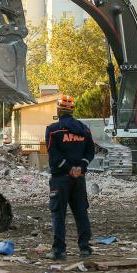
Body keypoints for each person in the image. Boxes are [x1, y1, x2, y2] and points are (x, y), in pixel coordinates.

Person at [44, 95, 95, 260]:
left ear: (59, 111)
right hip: (79, 179)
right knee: (81, 212)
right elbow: (90, 152)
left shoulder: (53, 130)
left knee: (58, 214)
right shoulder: (84, 130)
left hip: (60, 179)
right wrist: (81, 167)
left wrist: (69, 168)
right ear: (72, 111)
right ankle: (85, 248)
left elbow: (54, 156)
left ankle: (59, 250)